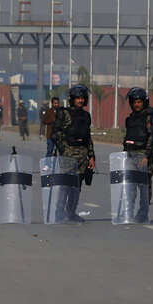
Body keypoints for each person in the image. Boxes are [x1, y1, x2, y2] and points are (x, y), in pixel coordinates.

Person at [52, 84, 96, 223]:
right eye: (77, 98)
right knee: (65, 185)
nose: (80, 101)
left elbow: (88, 137)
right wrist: (63, 150)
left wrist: (91, 156)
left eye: (82, 98)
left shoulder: (86, 116)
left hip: (82, 155)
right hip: (68, 154)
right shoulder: (63, 113)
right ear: (72, 99)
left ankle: (71, 213)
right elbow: (55, 134)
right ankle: (59, 213)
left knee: (77, 186)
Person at [123, 87, 153, 217]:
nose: (137, 104)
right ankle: (129, 212)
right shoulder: (131, 118)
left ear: (144, 101)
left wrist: (146, 156)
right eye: (134, 102)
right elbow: (127, 137)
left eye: (139, 102)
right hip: (131, 154)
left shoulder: (150, 116)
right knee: (130, 185)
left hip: (144, 154)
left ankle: (143, 213)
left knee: (144, 185)